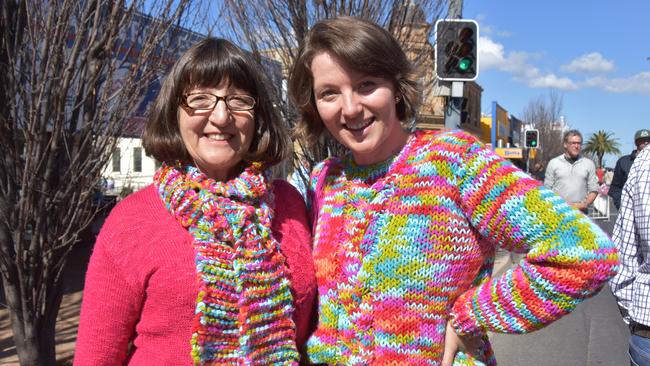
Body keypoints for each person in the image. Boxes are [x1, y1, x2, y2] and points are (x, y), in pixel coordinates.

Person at [288, 16, 618, 365]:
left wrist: (473, 315)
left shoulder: (454, 161)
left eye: (367, 85)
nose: (351, 107)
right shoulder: (323, 180)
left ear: (396, 87)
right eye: (329, 93)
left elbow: (584, 252)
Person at [75, 38, 316, 365]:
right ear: (174, 112)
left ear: (257, 116)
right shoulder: (132, 220)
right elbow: (96, 356)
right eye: (200, 99)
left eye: (238, 100)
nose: (220, 116)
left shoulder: (290, 206)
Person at [609, 145, 650, 366]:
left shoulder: (643, 162)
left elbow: (623, 257)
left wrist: (635, 317)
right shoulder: (632, 162)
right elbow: (615, 187)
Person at [544, 130, 599, 213]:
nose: (576, 146)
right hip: (558, 212)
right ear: (565, 144)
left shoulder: (589, 164)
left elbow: (594, 189)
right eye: (573, 143)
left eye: (579, 143)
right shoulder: (554, 163)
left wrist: (585, 204)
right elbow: (547, 189)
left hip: (581, 213)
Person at [609, 129, 650, 210]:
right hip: (630, 209)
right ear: (636, 143)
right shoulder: (623, 162)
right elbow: (615, 187)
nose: (646, 142)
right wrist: (621, 205)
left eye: (648, 140)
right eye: (642, 140)